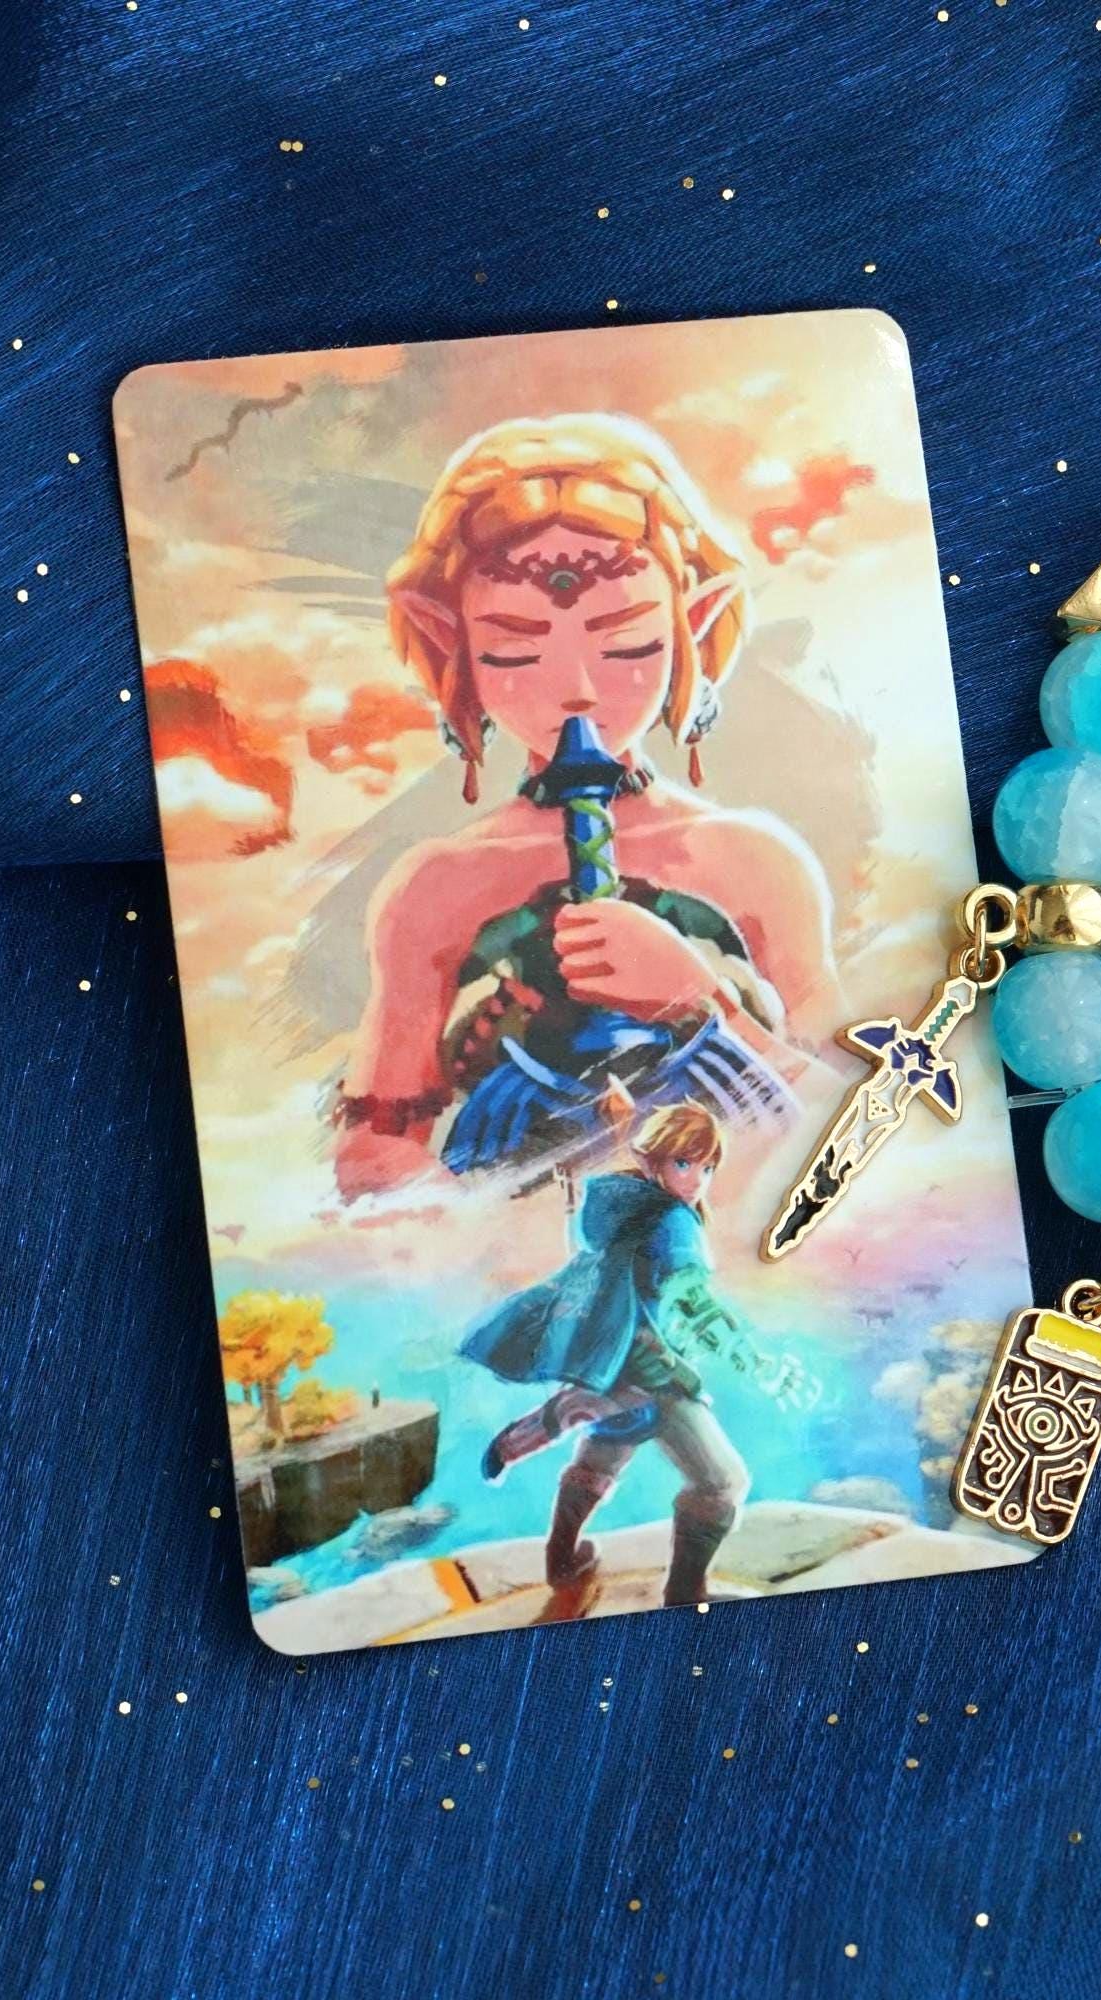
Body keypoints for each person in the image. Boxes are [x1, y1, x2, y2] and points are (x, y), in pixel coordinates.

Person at [332, 412, 841, 1197]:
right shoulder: (436, 885)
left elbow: (853, 1110)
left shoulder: (753, 861)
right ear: (451, 642)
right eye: (514, 650)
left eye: (628, 644)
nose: (575, 688)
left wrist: (698, 1002)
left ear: (692, 621)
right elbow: (373, 1156)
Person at [462, 1102, 784, 1605]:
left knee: (602, 1452)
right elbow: (694, 1302)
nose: (697, 1180)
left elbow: (588, 1255)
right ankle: (685, 1592)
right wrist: (749, 1357)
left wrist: (572, 1201)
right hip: (655, 1373)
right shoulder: (674, 1221)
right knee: (721, 1482)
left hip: (612, 1365)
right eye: (684, 1163)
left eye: (707, 1168)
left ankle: (562, 1559)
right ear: (651, 1159)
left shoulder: (615, 1207)